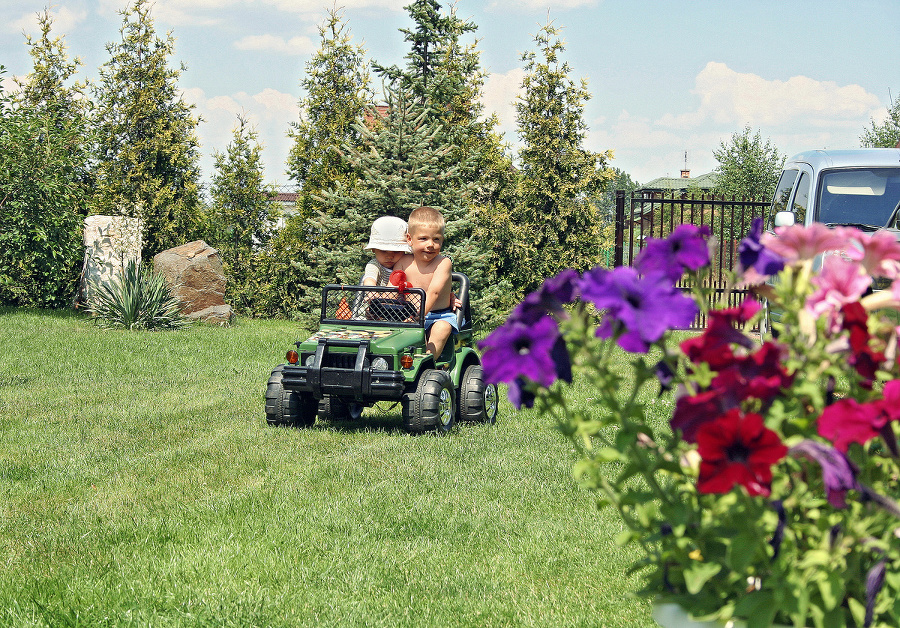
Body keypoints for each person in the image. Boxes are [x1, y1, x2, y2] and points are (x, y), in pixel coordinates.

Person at [393, 206, 456, 358]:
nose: (430, 244)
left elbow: (434, 292)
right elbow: (393, 288)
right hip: (409, 315)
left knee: (442, 328)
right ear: (410, 239)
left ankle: (428, 360)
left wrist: (419, 317)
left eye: (436, 239)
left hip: (438, 316)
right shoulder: (404, 262)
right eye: (423, 238)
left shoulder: (443, 263)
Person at [361, 216, 411, 286]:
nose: (390, 256)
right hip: (376, 296)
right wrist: (371, 292)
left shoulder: (405, 265)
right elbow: (370, 279)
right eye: (383, 251)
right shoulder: (375, 265)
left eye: (396, 251)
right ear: (373, 249)